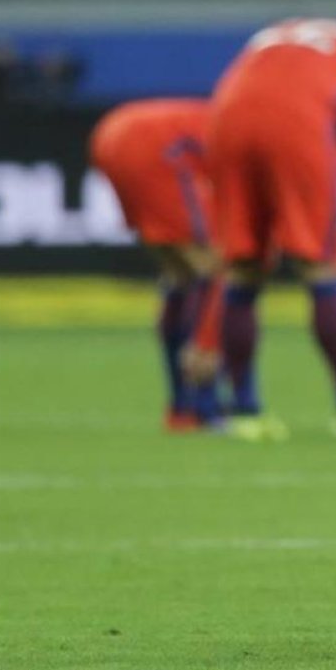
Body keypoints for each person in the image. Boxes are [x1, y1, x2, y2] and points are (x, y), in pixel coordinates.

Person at [207, 18, 336, 442]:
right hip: (299, 121)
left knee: (244, 266)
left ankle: (245, 412)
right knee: (322, 268)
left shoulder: (281, 32)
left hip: (223, 116)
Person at [90, 99, 222, 432]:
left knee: (180, 270)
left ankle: (181, 406)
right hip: (156, 144)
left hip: (112, 131)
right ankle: (202, 402)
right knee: (214, 264)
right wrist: (208, 341)